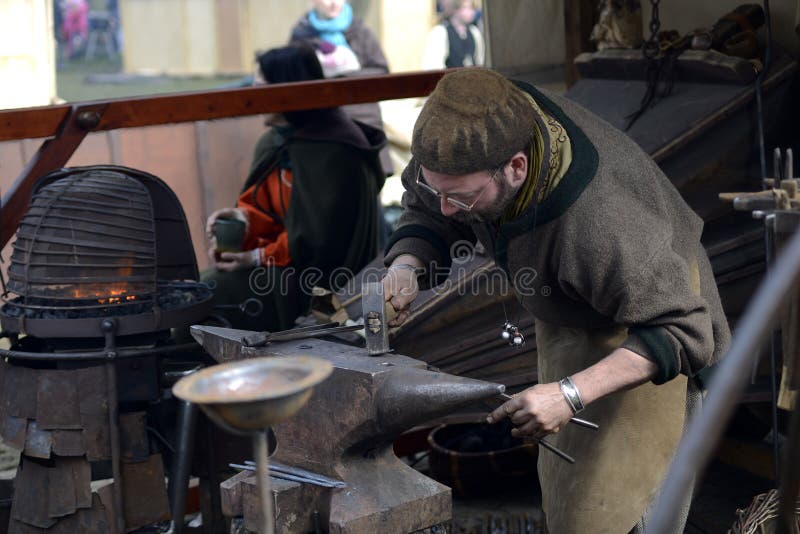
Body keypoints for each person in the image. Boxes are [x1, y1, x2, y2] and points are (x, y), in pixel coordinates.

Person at [381, 68, 730, 533]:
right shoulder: (466, 136)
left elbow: (685, 330)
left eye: (460, 199)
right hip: (575, 305)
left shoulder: (601, 225)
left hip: (652, 323)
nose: (446, 209)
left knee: (616, 514)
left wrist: (569, 393)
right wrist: (408, 263)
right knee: (567, 501)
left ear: (516, 168)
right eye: (438, 189)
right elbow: (426, 202)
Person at [204, 45, 386, 332]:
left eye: (261, 86)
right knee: (198, 290)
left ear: (288, 91)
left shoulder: (335, 151)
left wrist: (255, 257)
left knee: (208, 296)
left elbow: (317, 244)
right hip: (281, 263)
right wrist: (243, 222)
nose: (252, 94)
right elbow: (269, 209)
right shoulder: (275, 142)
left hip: (318, 285)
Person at [289, 0, 393, 176]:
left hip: (363, 114)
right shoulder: (301, 34)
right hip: (321, 116)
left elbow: (381, 71)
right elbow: (292, 77)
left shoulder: (360, 30)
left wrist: (343, 77)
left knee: (368, 180)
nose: (333, 3)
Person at [422, 0, 485, 69]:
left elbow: (480, 62)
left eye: (472, 8)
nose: (472, 12)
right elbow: (433, 67)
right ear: (455, 9)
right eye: (467, 7)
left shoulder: (474, 32)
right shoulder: (440, 32)